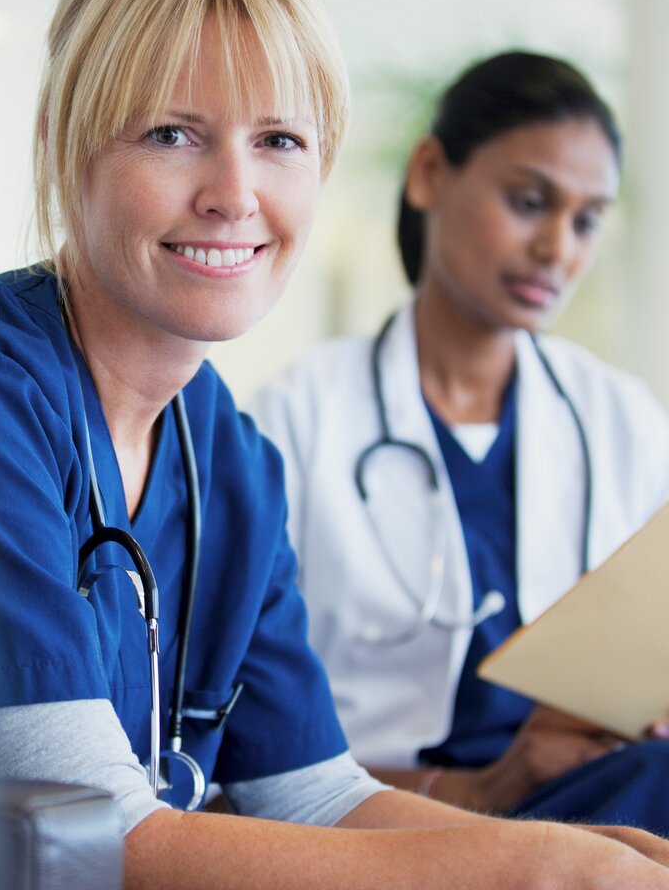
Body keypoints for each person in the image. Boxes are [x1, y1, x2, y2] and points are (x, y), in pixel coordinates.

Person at [0, 0, 669, 884]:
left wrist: (583, 853)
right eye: (172, 133)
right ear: (60, 138)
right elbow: (103, 840)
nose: (234, 195)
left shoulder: (228, 456)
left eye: (280, 142)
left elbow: (312, 795)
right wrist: (539, 870)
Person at [251, 50, 669, 831]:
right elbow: (249, 754)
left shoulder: (623, 420)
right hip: (394, 823)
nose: (558, 248)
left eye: (586, 220)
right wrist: (487, 788)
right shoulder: (296, 419)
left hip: (611, 801)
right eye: (528, 200)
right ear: (430, 173)